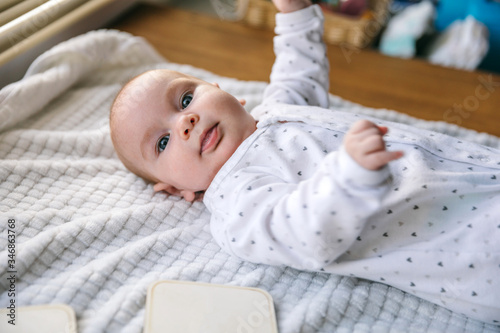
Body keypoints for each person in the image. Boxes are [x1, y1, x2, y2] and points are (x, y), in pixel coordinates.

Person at [110, 0, 500, 323]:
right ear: (178, 190)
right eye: (162, 142)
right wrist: (348, 177)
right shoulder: (235, 202)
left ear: (220, 90)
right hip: (471, 245)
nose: (185, 122)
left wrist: (294, 13)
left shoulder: (275, 109)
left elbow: (300, 71)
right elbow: (301, 229)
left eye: (184, 100)